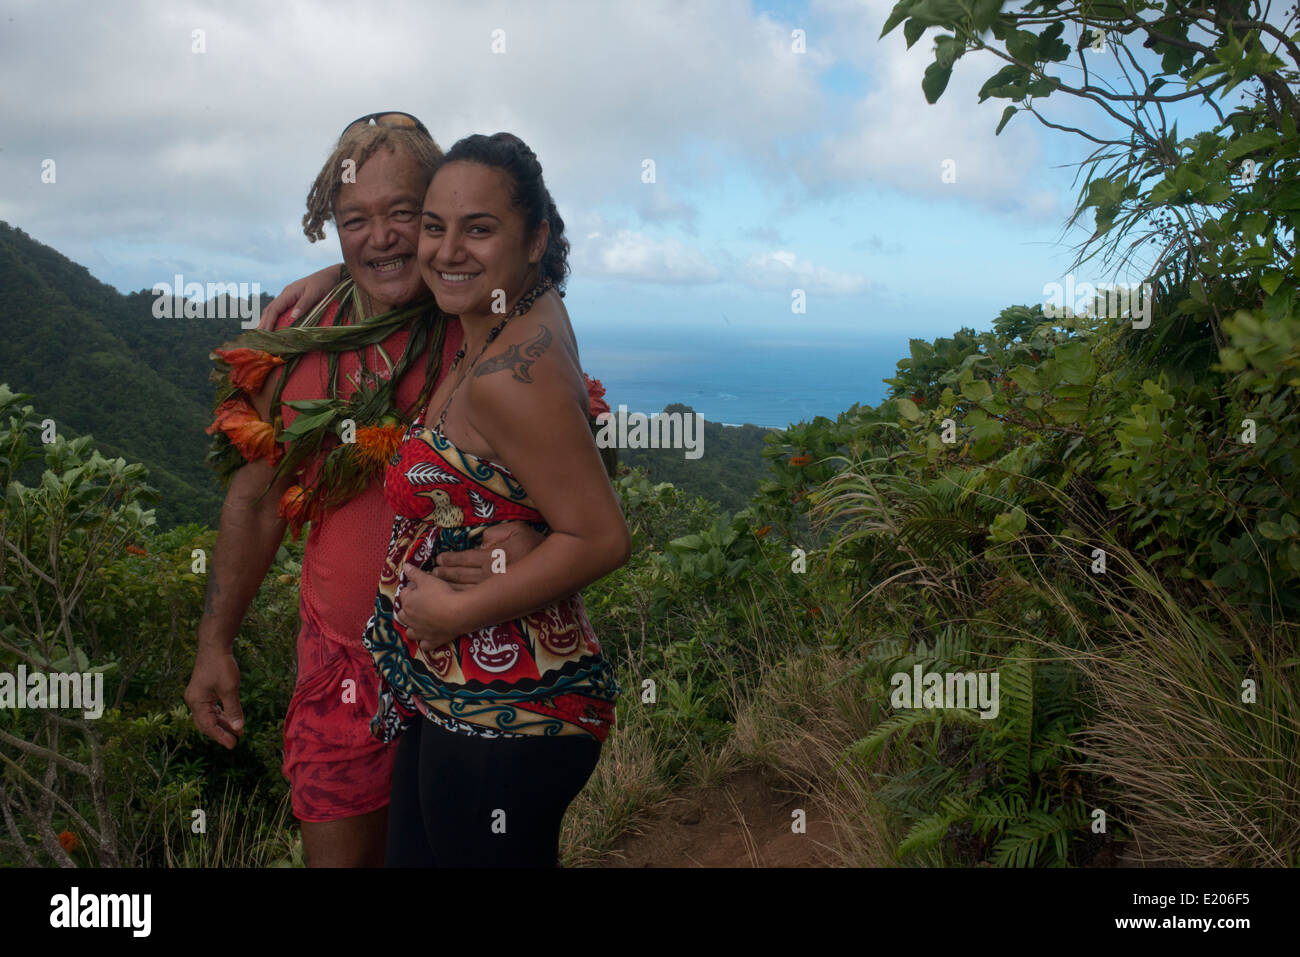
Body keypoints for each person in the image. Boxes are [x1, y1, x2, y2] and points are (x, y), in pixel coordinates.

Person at [184, 113, 543, 867]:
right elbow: (254, 502)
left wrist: (532, 534)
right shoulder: (297, 340)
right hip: (338, 667)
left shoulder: (485, 328)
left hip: (468, 657)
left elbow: (576, 454)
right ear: (334, 230)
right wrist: (214, 643)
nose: (380, 238)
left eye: (403, 215)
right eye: (356, 220)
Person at [365, 132, 629, 867]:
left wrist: (455, 610)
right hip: (466, 695)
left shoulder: (509, 374)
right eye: (433, 226)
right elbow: (572, 453)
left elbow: (603, 536)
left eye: (479, 229)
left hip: (501, 719)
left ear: (536, 237)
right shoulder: (518, 314)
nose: (447, 251)